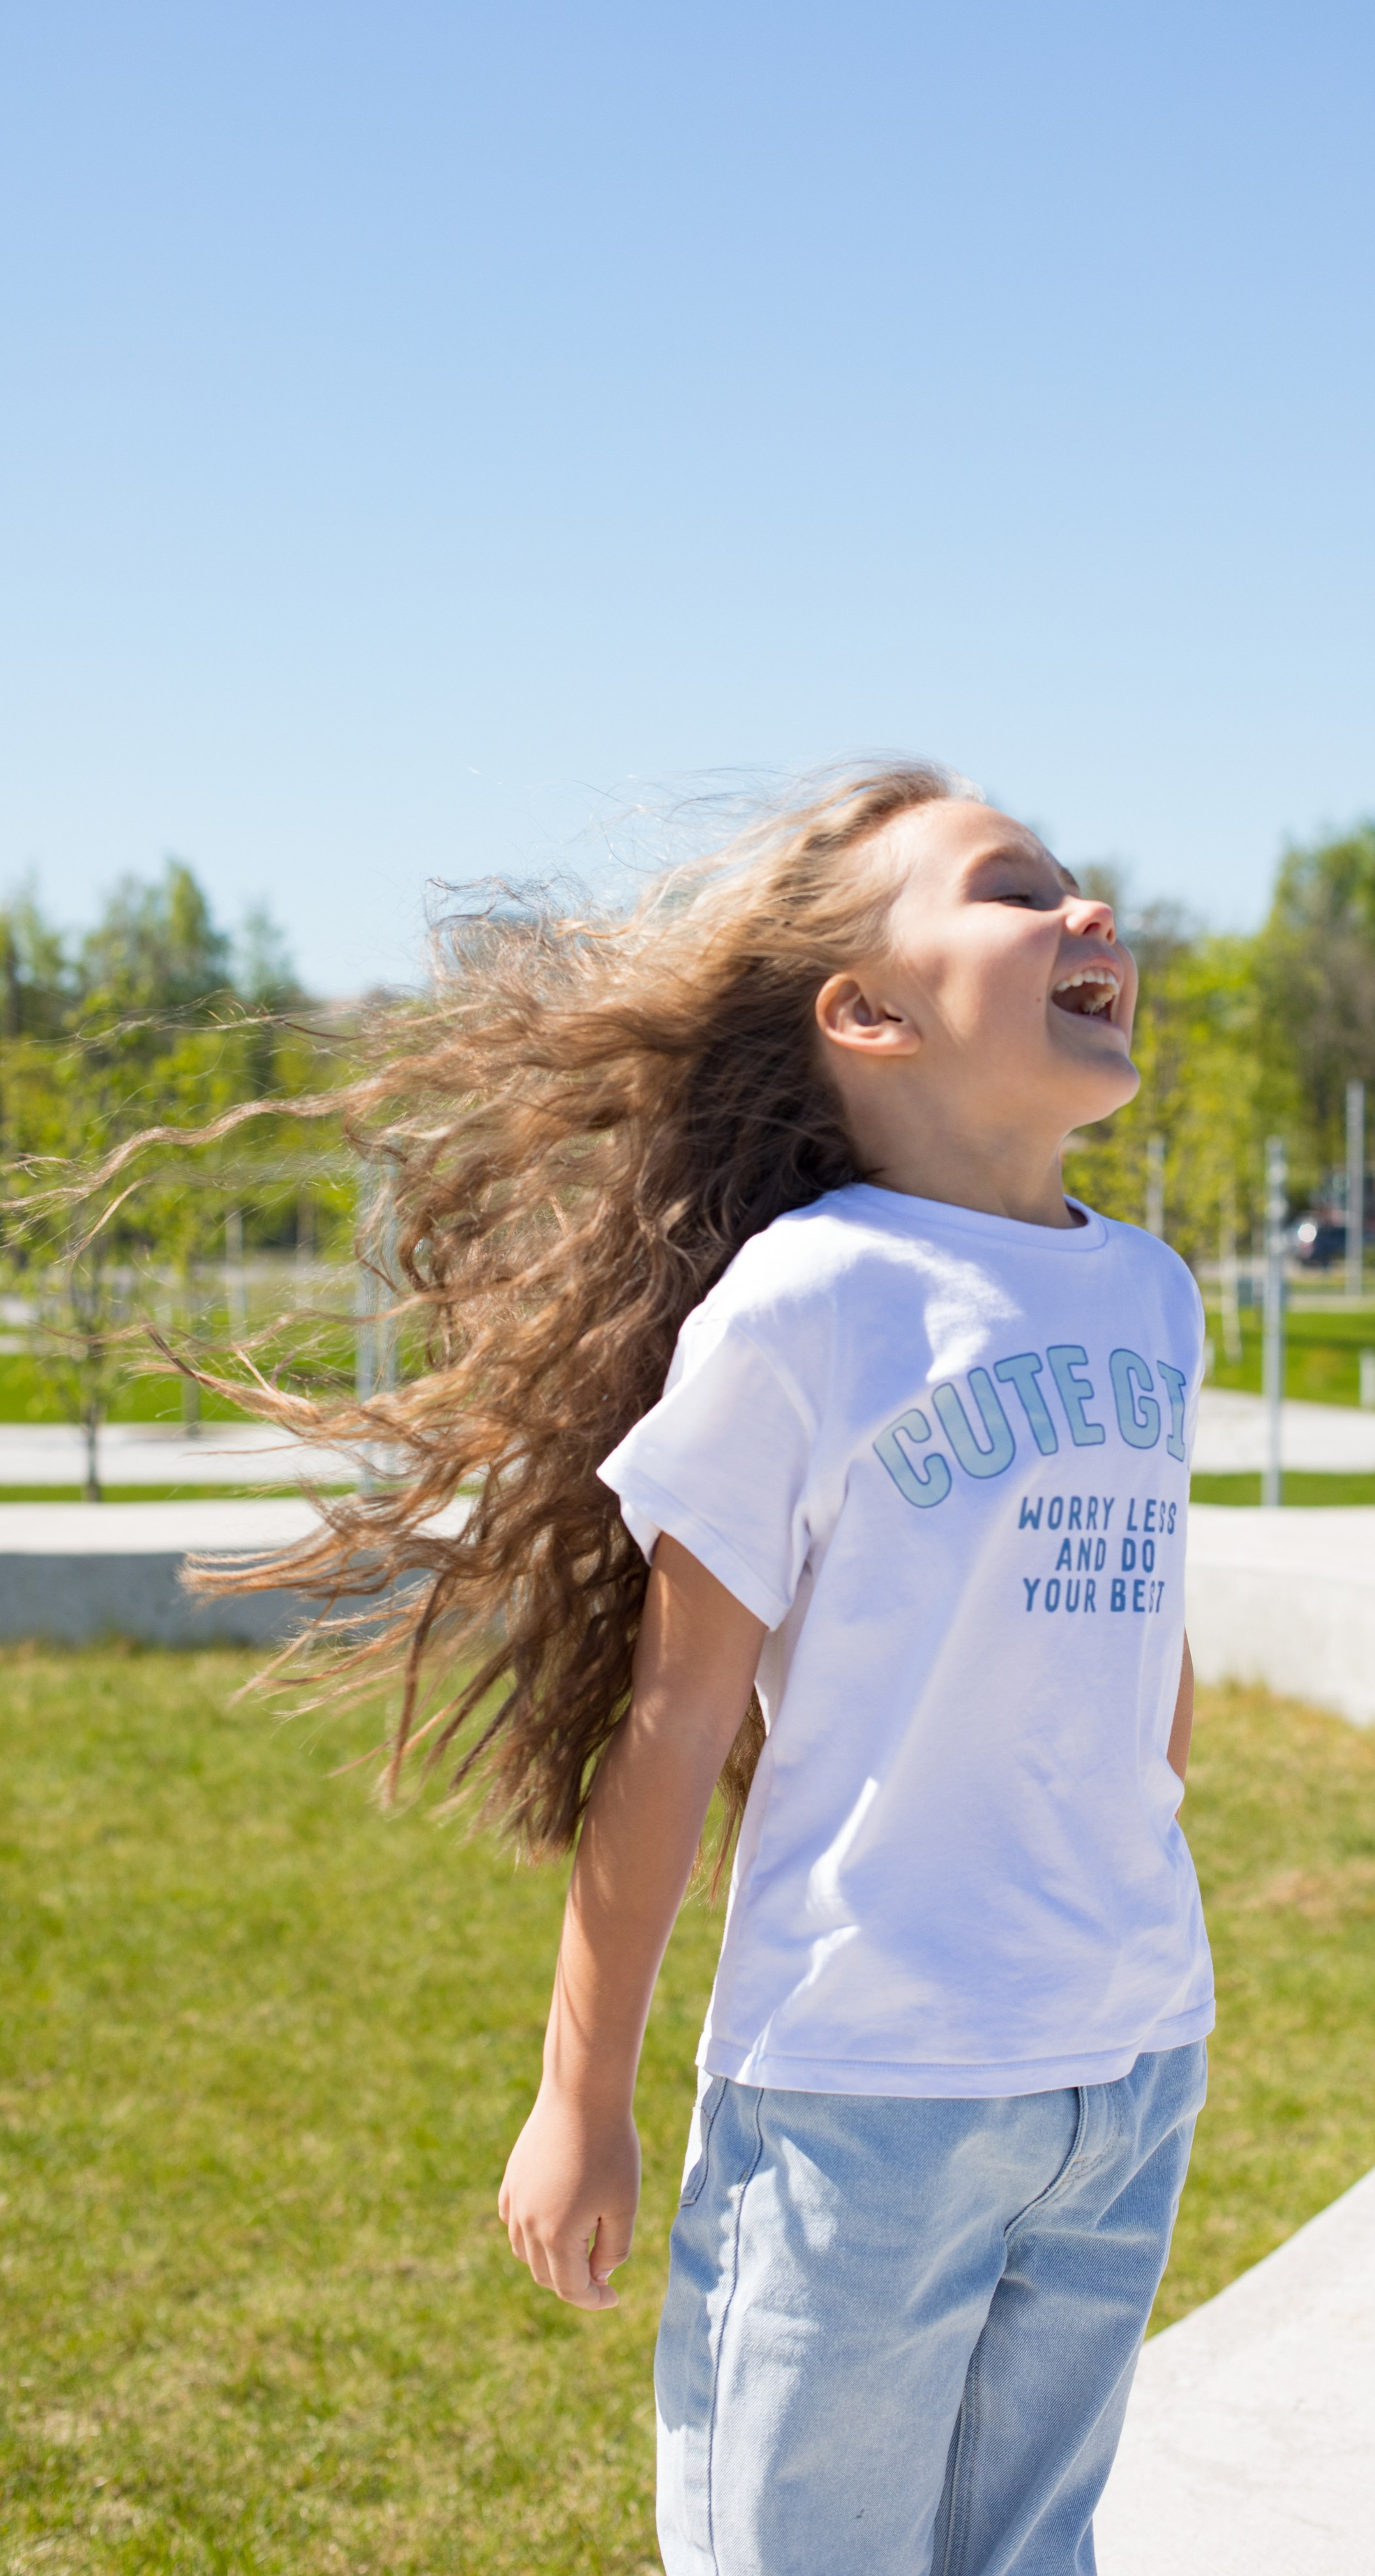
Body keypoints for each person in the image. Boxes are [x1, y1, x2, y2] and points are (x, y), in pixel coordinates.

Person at [189, 759, 1215, 2575]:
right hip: (864, 2100)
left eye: (1082, 885)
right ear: (868, 1012)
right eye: (1013, 888)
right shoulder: (811, 1302)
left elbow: (1153, 1659)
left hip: (1124, 2068)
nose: (1091, 913)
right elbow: (668, 1734)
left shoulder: (1150, 1292)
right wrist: (579, 2103)